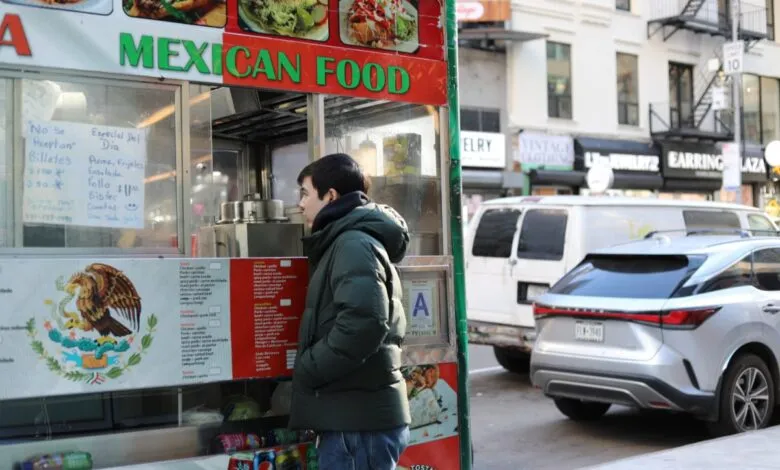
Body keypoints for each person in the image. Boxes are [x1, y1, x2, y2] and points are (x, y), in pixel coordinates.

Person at [289, 153, 411, 469]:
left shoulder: (353, 243)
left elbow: (365, 323)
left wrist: (309, 368)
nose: (300, 204)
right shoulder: (345, 240)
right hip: (356, 420)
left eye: (305, 193)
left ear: (330, 196)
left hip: (358, 426)